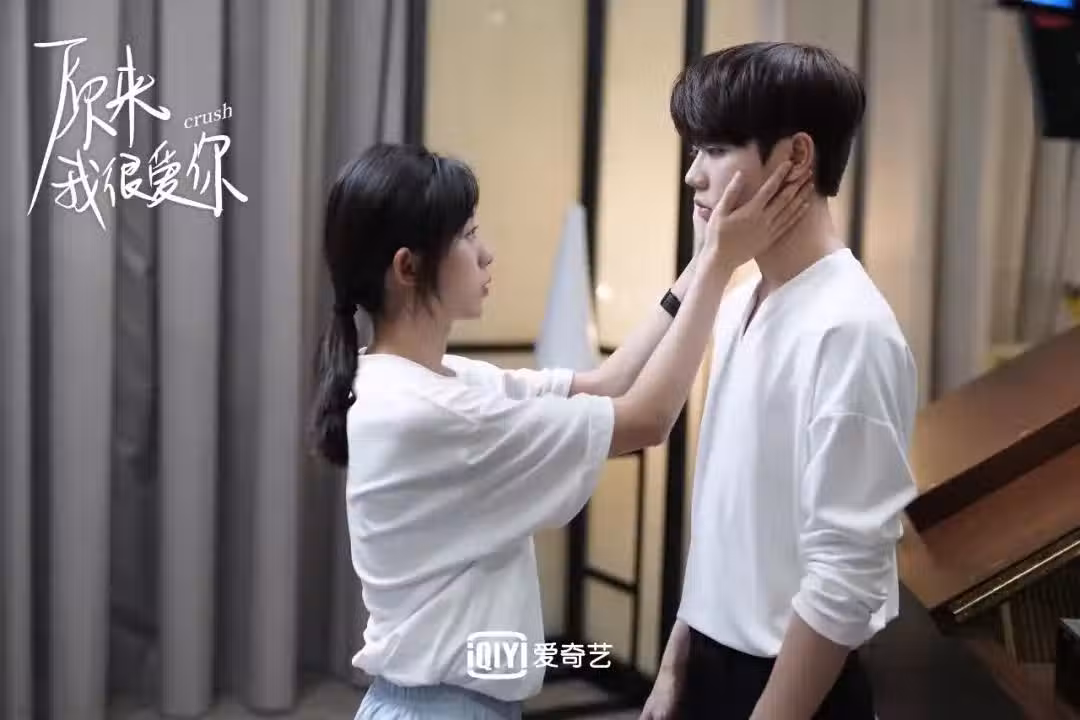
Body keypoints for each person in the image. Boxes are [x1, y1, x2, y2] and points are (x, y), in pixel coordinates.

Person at [308, 142, 811, 719]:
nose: (486, 253)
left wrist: (702, 262)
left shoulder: (425, 380)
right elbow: (645, 419)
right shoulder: (427, 411)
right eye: (468, 237)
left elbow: (610, 381)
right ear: (408, 268)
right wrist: (720, 267)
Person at [639, 42, 919, 720]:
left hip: (788, 686)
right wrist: (674, 666)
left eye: (716, 149)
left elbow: (845, 578)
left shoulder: (850, 329)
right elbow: (725, 521)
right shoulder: (740, 301)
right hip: (707, 663)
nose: (693, 176)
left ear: (796, 157)